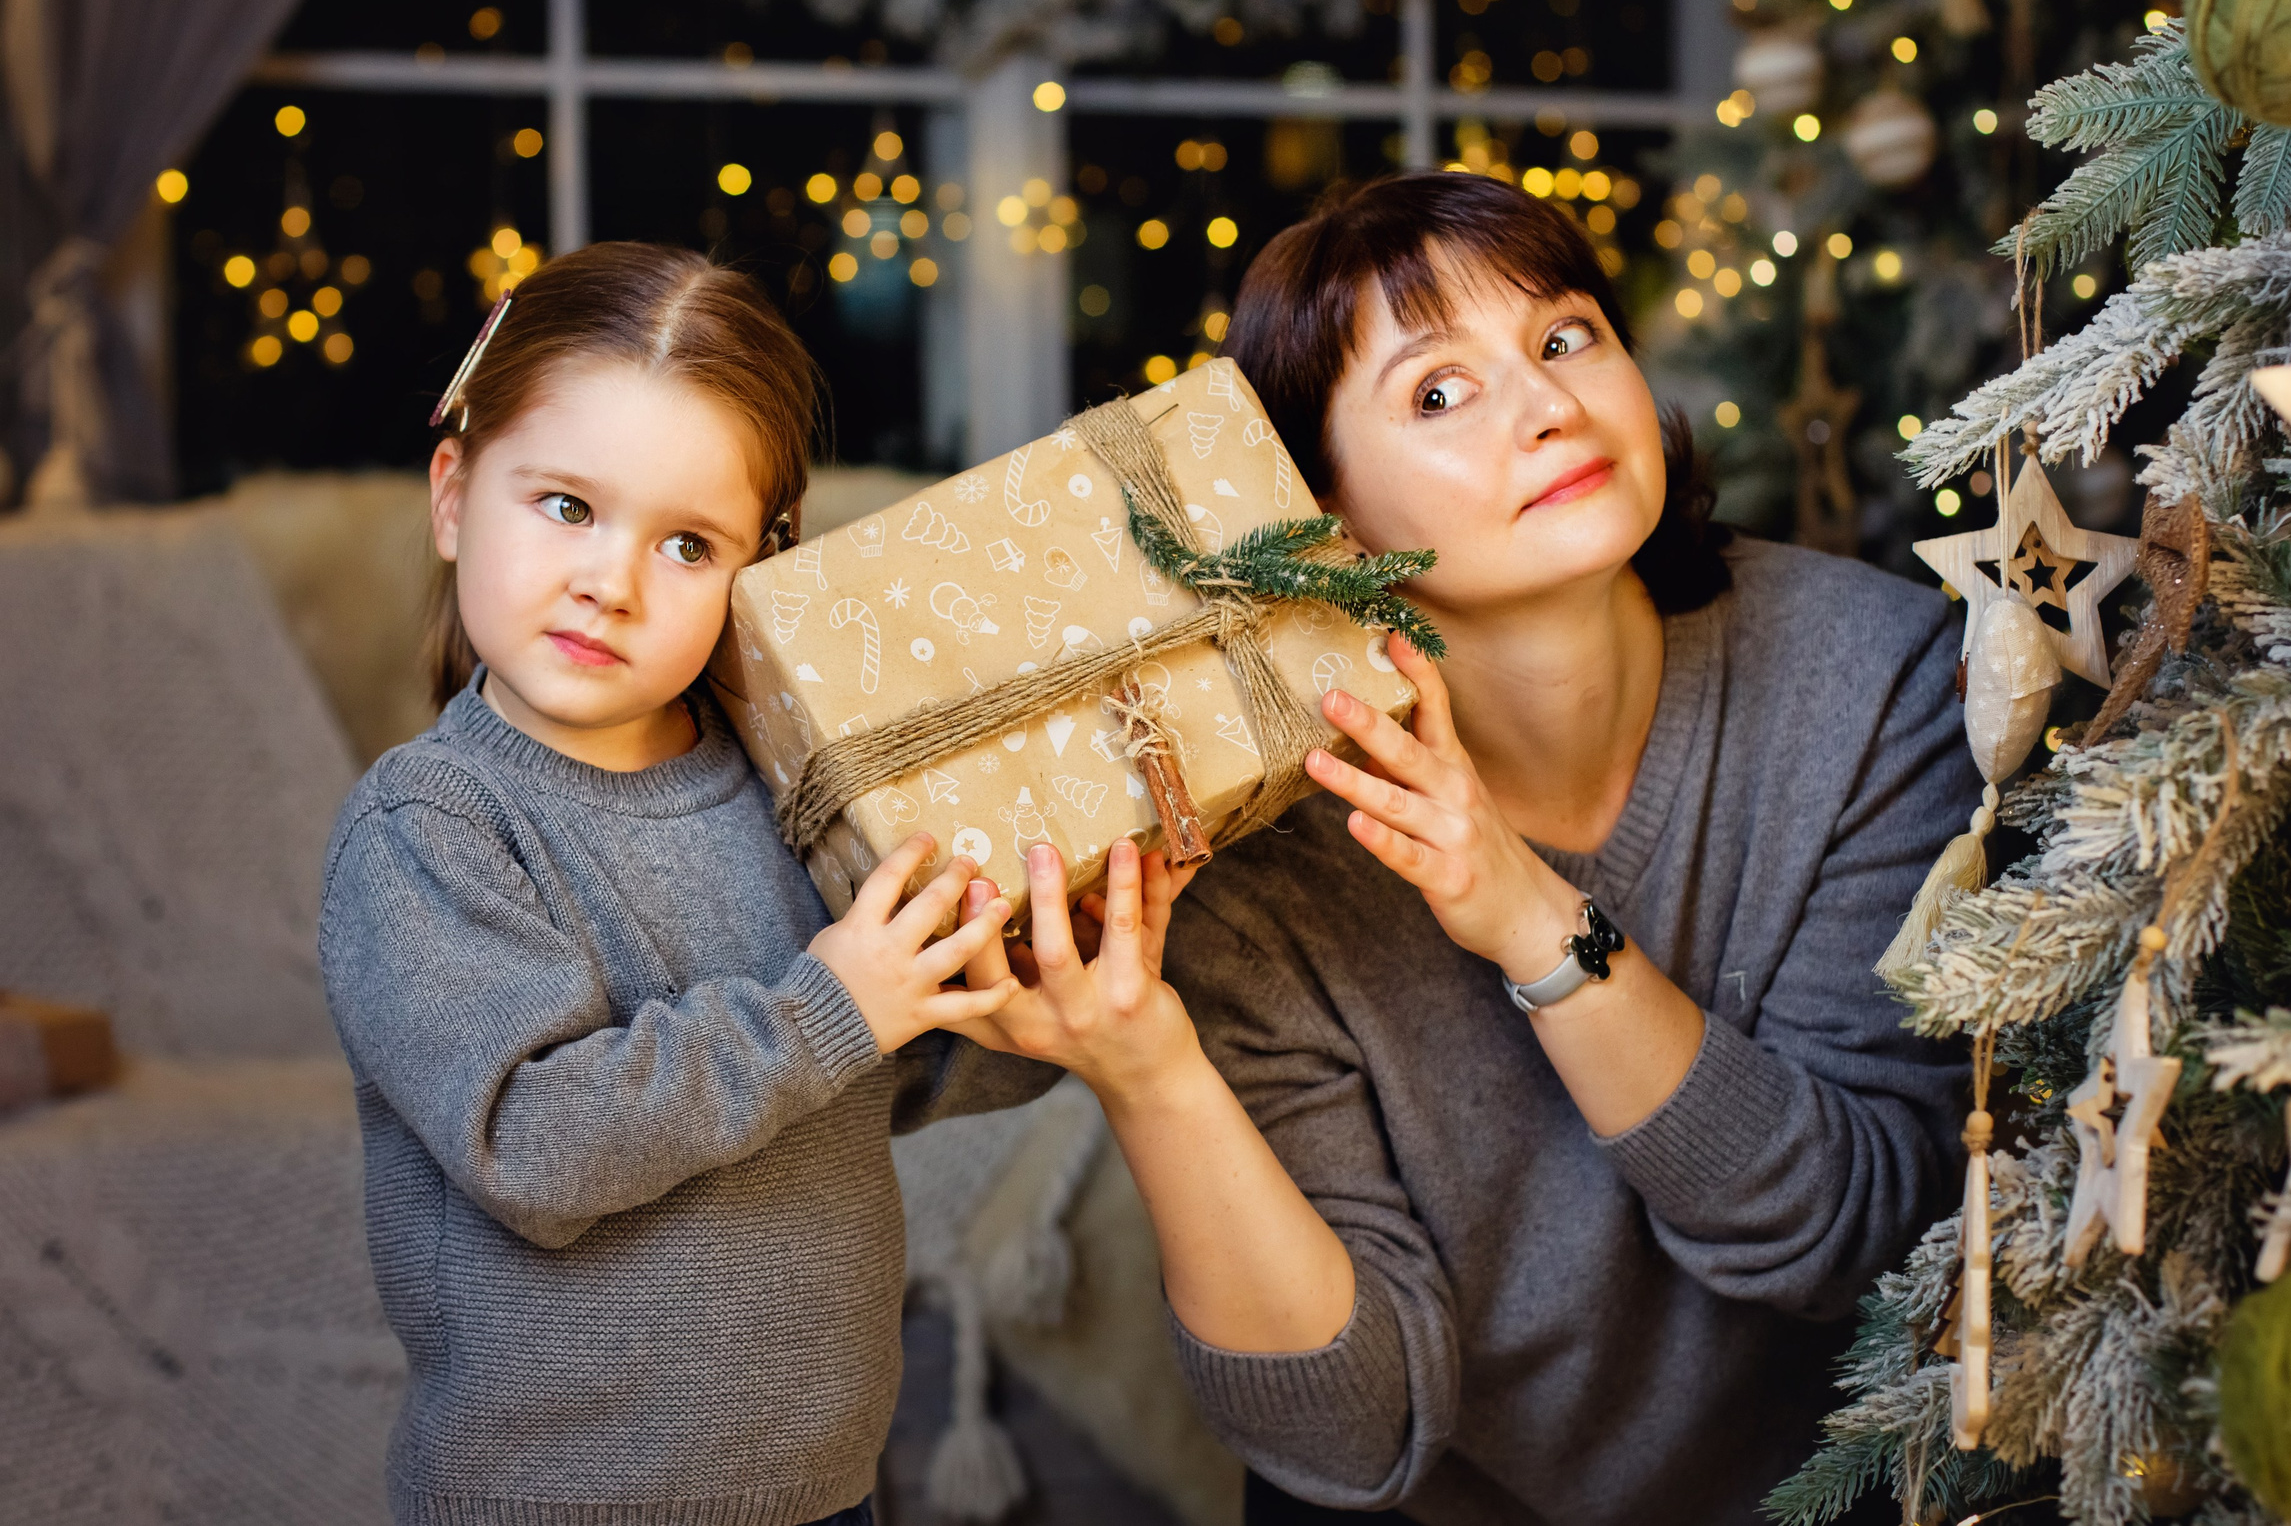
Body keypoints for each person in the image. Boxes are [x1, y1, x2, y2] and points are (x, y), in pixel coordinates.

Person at [960, 173, 1977, 1524]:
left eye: (1564, 338)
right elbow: (1344, 1435)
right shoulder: (1254, 857)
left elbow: (1846, 1237)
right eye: (1439, 392)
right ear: (1322, 520)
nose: (1550, 405)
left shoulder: (1873, 678)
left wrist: (1529, 918)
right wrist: (1152, 1071)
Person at [317, 242, 1035, 1526]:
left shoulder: (793, 790)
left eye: (688, 544)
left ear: (757, 569)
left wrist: (1039, 980)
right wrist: (835, 1007)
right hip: (553, 1501)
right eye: (567, 507)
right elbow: (533, 1144)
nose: (613, 580)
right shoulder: (430, 825)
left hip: (822, 1489)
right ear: (451, 494)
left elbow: (893, 1061)